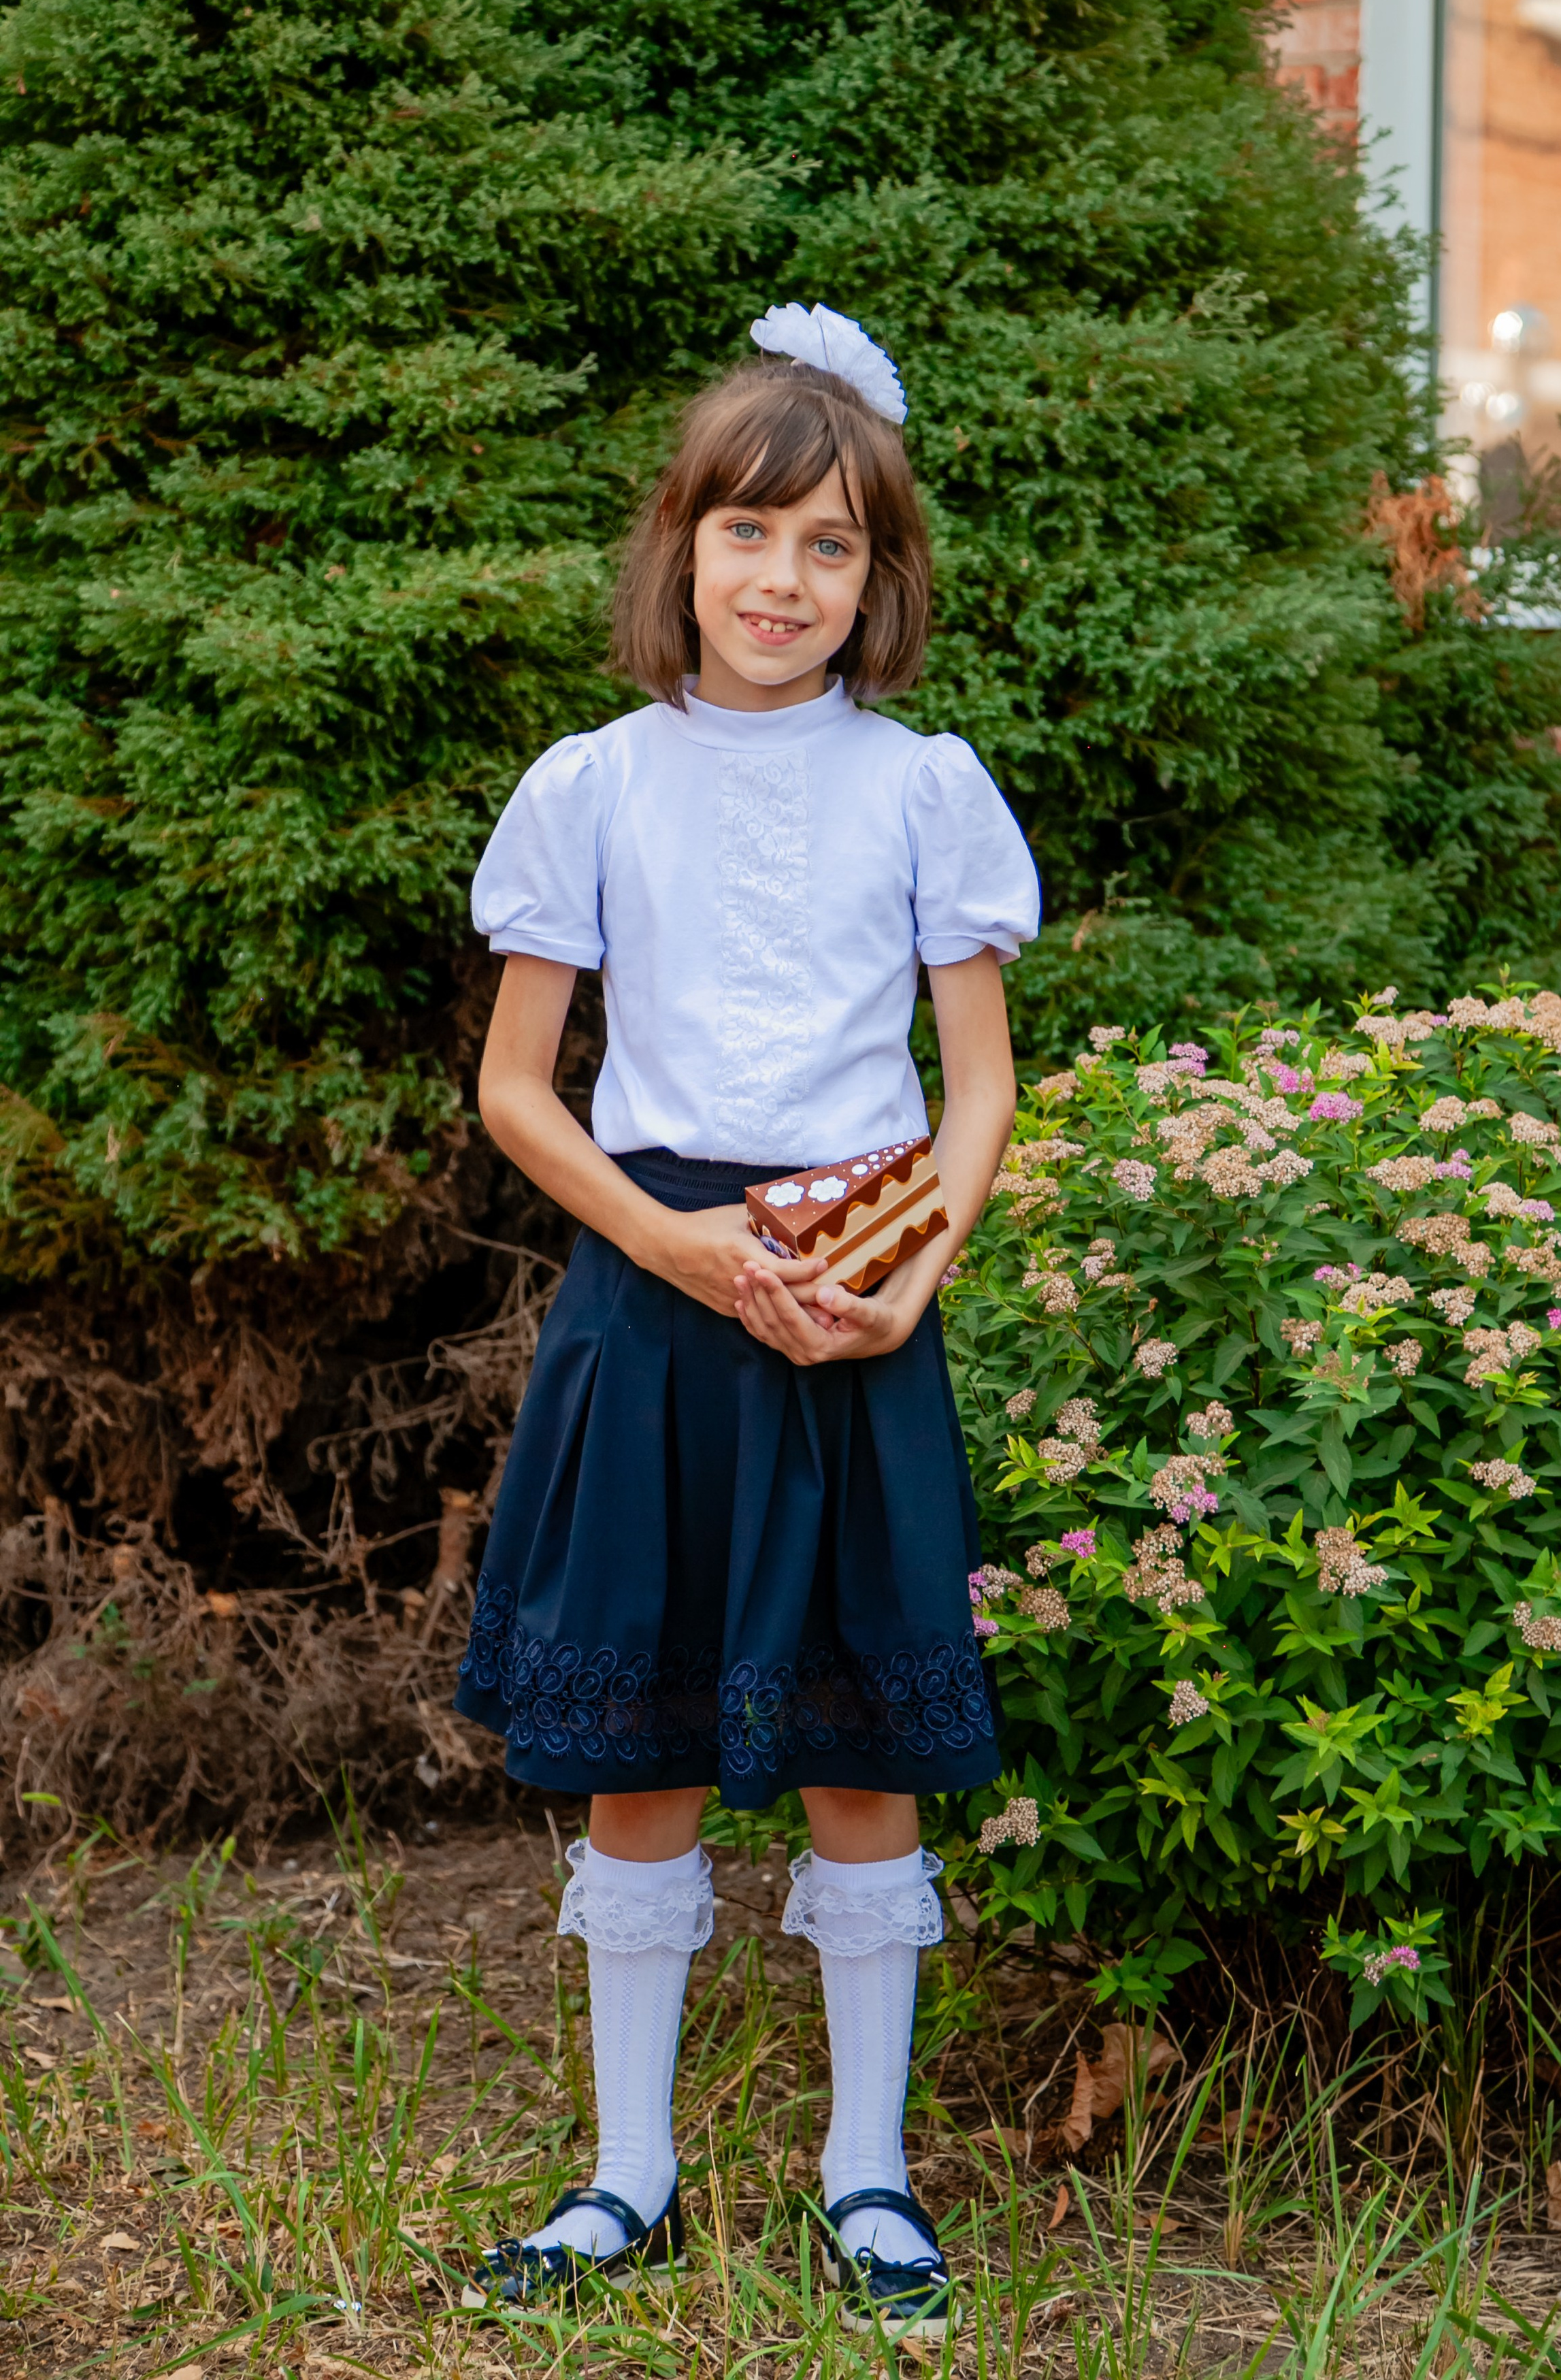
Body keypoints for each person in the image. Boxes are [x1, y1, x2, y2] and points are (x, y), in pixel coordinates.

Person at [456, 301, 1039, 2339]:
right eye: (749, 535)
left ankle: (866, 2174)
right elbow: (520, 1091)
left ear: (878, 581)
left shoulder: (925, 789)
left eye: (831, 548)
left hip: (863, 1291)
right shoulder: (594, 786)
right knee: (649, 1750)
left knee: (866, 1749)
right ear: (680, 545)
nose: (783, 582)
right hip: (656, 1295)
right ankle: (628, 2174)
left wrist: (908, 1276)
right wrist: (677, 1249)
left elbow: (977, 1086)